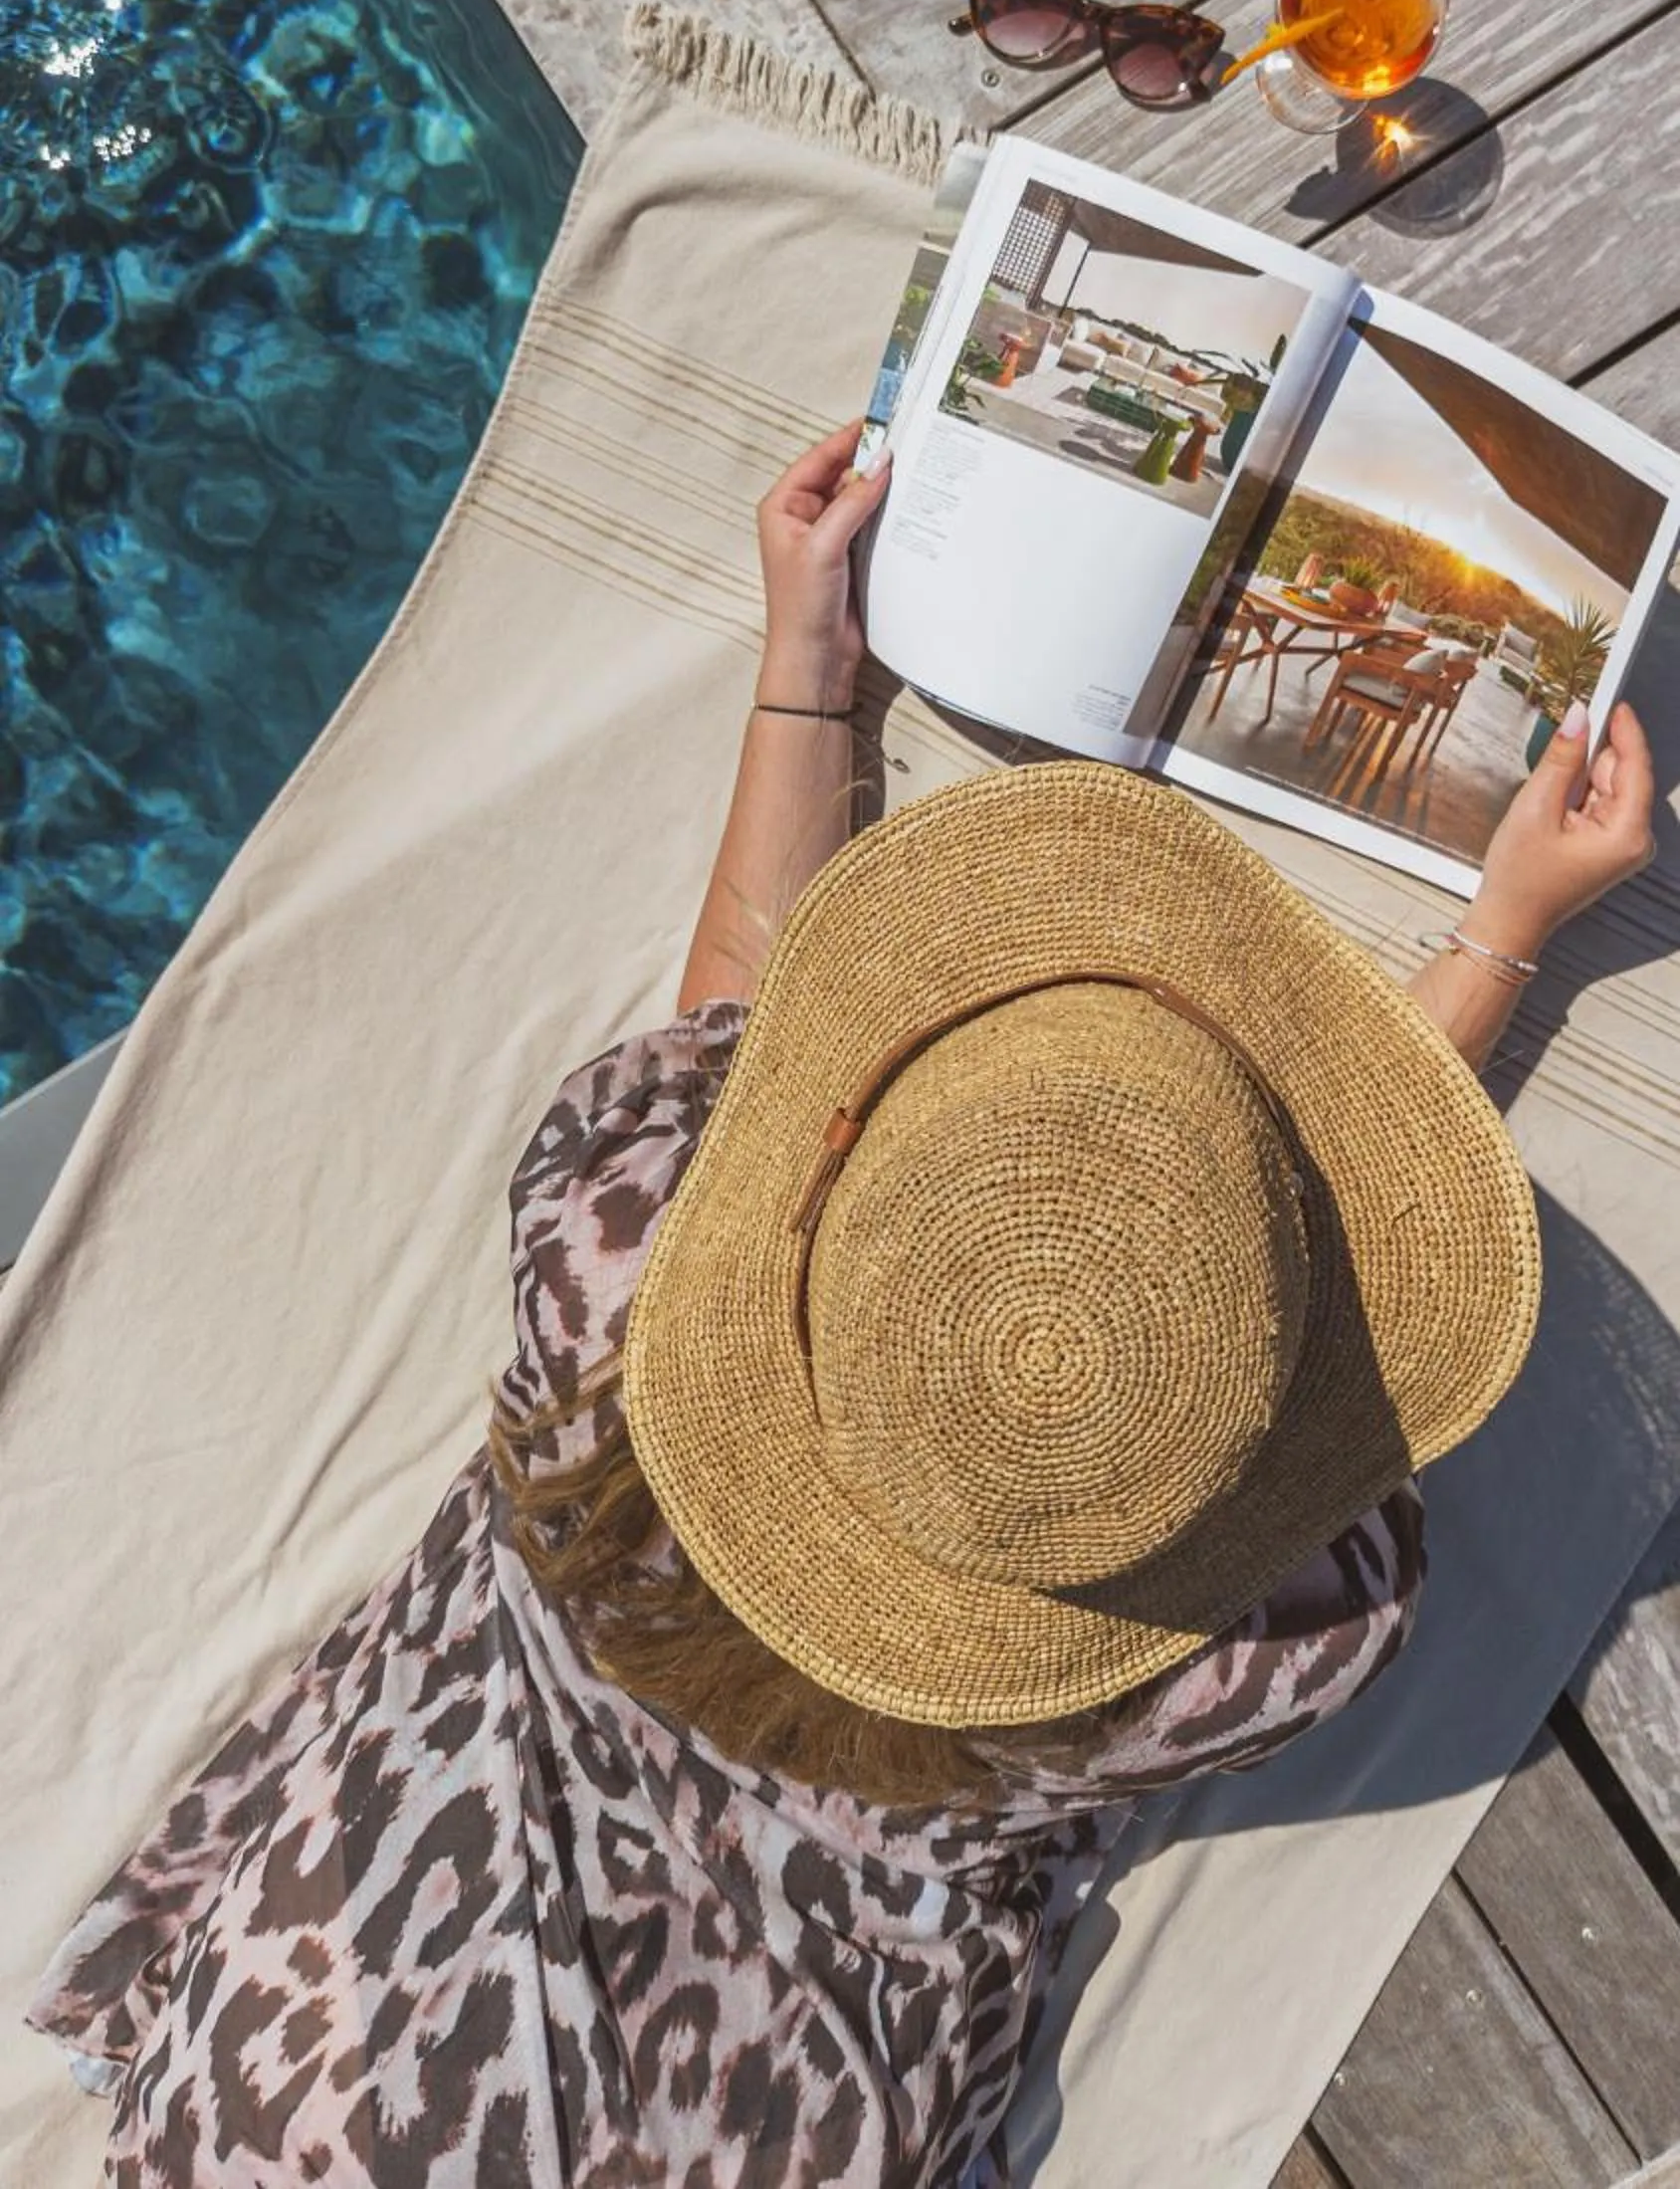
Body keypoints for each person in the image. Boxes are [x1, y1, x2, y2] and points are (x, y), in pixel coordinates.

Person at [31, 422, 1656, 2187]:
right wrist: (1504, 925)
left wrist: (807, 679)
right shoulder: (1225, 1663)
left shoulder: (616, 1315)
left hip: (338, 2065)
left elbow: (728, 1014)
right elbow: (1294, 1332)